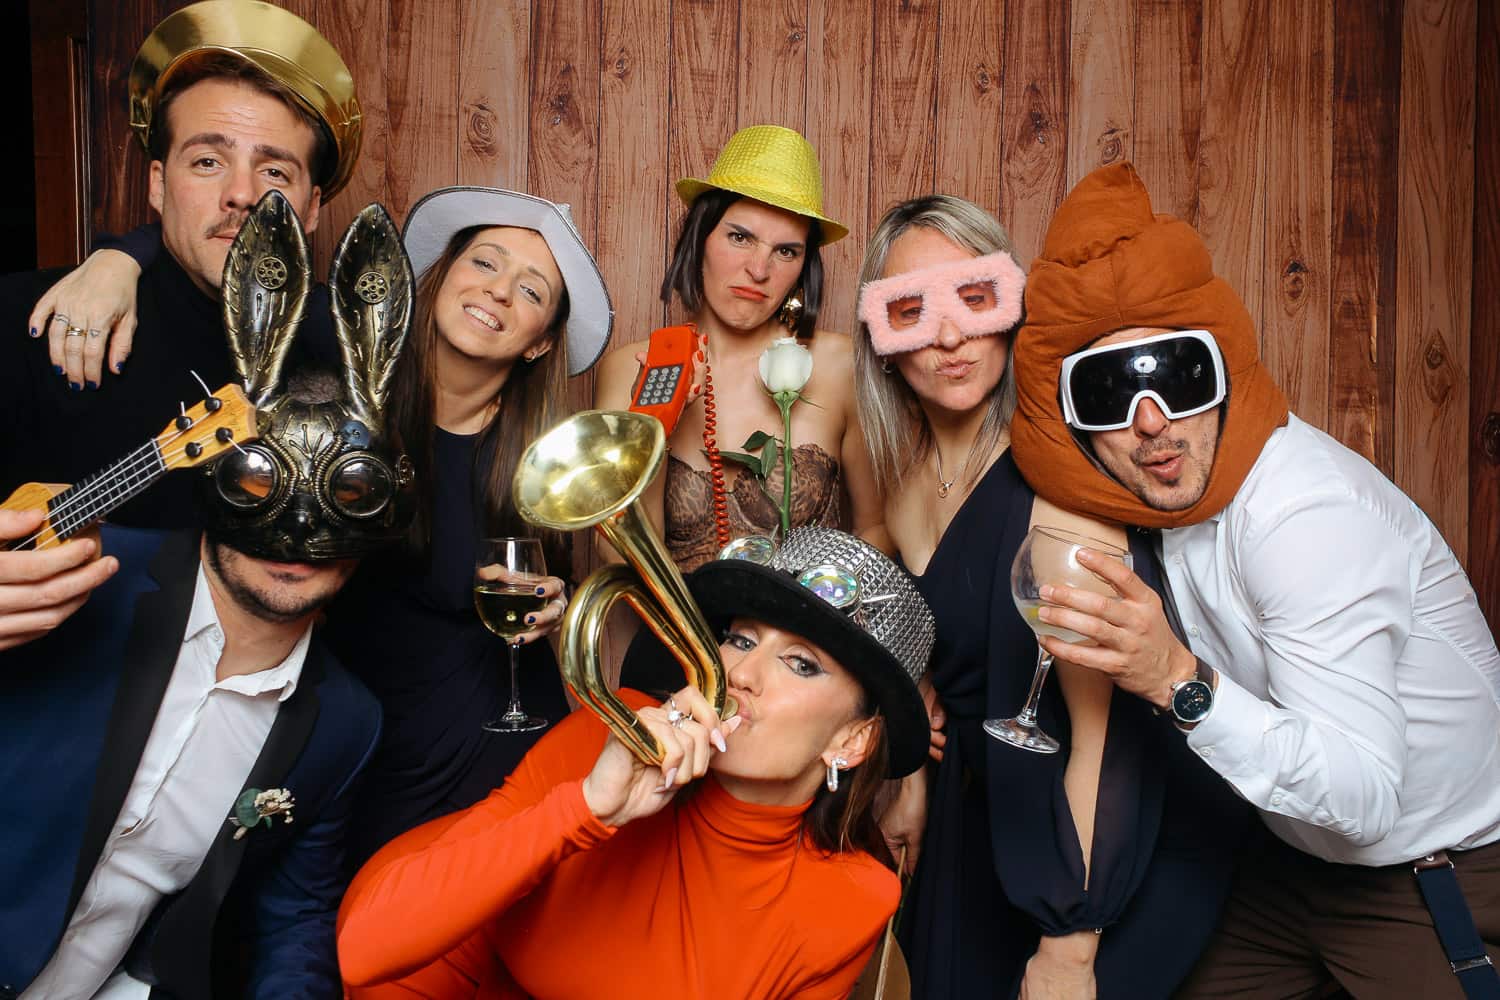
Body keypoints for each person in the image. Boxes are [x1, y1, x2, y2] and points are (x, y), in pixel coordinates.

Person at [1009, 161, 1500, 998]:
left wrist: (1175, 679)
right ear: (1072, 425)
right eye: (1107, 394)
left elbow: (1365, 796)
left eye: (1178, 375)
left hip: (1421, 871)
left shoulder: (1303, 518)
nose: (1151, 425)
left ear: (1226, 368)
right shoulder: (1159, 505)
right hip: (1283, 859)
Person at [0, 192, 409, 998]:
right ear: (217, 471)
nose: (295, 537)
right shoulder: (75, 581)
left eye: (348, 493)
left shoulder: (344, 723)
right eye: (261, 482)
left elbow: (295, 920)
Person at [851, 194, 1245, 999]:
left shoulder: (1057, 494)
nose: (950, 337)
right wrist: (908, 764)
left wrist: (1072, 933)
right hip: (978, 812)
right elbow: (887, 619)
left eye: (972, 298)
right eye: (911, 311)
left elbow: (1110, 736)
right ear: (881, 342)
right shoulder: (899, 477)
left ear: (1012, 308)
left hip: (1099, 846)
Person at [335, 526, 935, 999]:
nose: (740, 675)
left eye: (800, 663)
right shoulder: (612, 733)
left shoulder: (855, 899)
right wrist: (590, 806)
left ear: (853, 741)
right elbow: (366, 948)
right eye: (742, 639)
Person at [0, 0, 360, 645]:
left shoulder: (346, 350)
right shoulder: (29, 316)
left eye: (274, 170)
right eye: (207, 161)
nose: (242, 193)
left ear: (310, 209)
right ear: (159, 185)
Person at [319, 185, 614, 867]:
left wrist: (556, 610)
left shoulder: (539, 467)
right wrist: (119, 264)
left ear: (541, 343)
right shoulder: (341, 404)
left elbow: (555, 593)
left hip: (491, 758)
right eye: (485, 263)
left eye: (533, 291)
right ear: (442, 275)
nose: (501, 291)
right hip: (360, 754)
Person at [594, 125, 883, 573]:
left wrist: (822, 625)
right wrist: (655, 427)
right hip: (674, 635)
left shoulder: (840, 366)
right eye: (740, 237)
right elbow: (619, 554)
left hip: (806, 638)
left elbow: (877, 527)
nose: (759, 269)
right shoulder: (630, 369)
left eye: (786, 251)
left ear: (804, 266)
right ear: (701, 237)